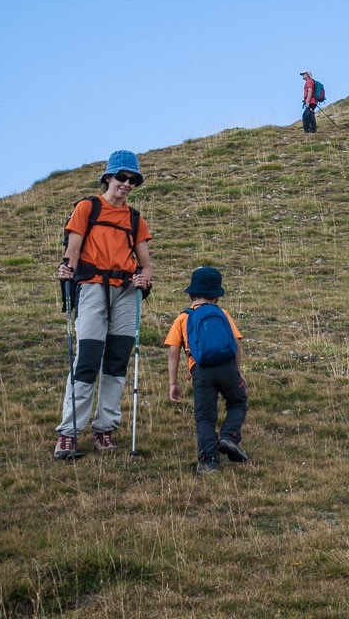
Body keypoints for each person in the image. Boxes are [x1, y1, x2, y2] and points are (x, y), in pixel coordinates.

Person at [53, 150, 154, 460]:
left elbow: (146, 264)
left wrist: (144, 278)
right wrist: (67, 269)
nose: (127, 184)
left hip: (125, 291)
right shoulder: (88, 207)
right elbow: (73, 250)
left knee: (116, 361)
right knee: (87, 359)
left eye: (133, 180)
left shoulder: (134, 218)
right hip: (92, 287)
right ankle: (68, 433)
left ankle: (104, 429)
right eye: (122, 177)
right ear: (108, 177)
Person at [166, 267, 248, 474]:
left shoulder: (183, 318)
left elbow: (173, 352)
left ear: (191, 294)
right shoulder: (223, 314)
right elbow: (237, 346)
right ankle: (229, 437)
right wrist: (237, 371)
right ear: (217, 296)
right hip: (228, 369)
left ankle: (209, 461)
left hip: (201, 372)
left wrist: (173, 383)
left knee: (205, 417)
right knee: (238, 402)